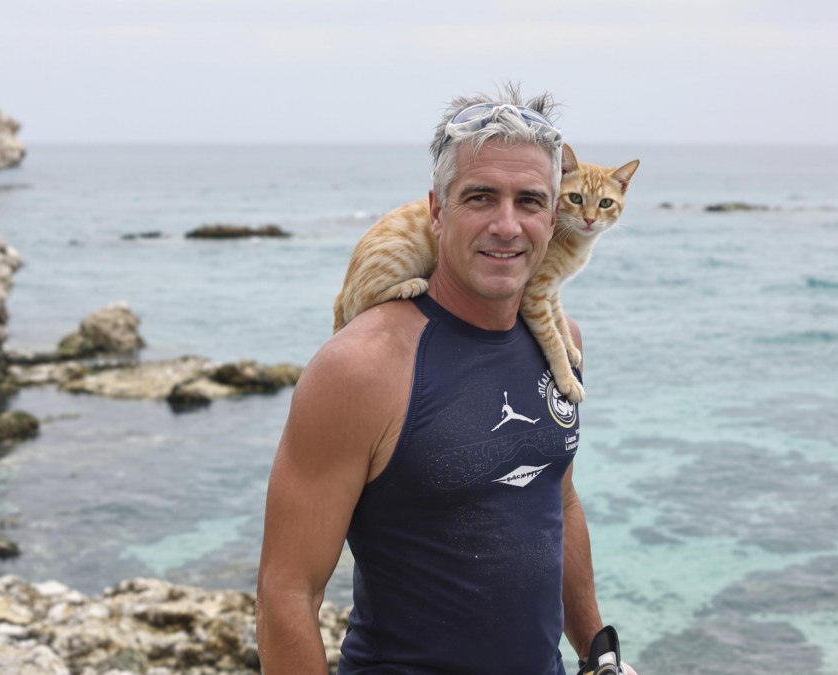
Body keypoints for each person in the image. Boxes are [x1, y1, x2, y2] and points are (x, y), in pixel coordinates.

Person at [256, 86, 635, 675]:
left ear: (552, 214)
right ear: (437, 211)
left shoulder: (563, 344)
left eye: (530, 201)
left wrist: (598, 654)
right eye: (480, 198)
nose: (507, 225)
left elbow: (556, 499)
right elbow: (287, 593)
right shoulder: (359, 369)